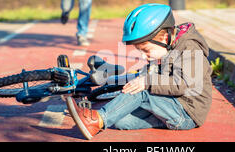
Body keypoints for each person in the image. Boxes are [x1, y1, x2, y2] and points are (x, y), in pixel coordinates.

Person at [70, 3, 213, 140]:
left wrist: (146, 81)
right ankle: (104, 115)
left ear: (164, 38)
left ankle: (97, 121)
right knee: (121, 121)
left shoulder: (191, 49)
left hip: (186, 112)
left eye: (146, 50)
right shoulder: (166, 47)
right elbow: (154, 73)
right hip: (170, 104)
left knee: (142, 91)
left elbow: (183, 83)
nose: (143, 56)